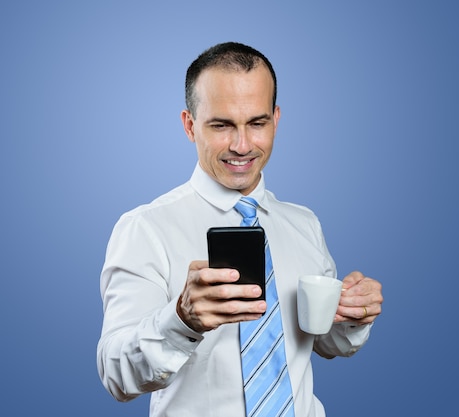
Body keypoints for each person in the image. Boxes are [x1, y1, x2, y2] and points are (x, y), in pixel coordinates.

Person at [97, 41, 383, 417]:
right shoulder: (145, 229)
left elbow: (327, 343)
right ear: (189, 125)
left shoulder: (304, 224)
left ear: (276, 120)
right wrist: (180, 320)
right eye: (222, 125)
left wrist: (352, 316)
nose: (242, 145)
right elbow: (117, 374)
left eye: (257, 123)